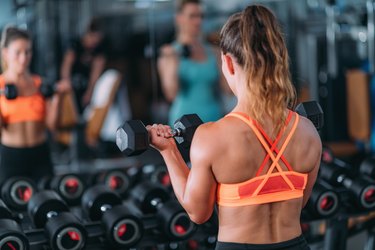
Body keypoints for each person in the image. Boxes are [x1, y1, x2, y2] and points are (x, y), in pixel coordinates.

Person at [147, 5, 322, 250]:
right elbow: (299, 202)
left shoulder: (211, 138)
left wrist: (168, 151)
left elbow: (198, 213)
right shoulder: (307, 132)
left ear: (228, 64)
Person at [0, 26, 70, 183]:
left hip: (40, 155)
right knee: (12, 205)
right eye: (17, 52)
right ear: (5, 53)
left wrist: (58, 97)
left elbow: (53, 126)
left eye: (28, 52)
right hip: (11, 157)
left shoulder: (40, 84)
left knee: (48, 201)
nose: (23, 58)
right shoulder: (0, 87)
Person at [157, 0, 231, 126]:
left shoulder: (213, 51)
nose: (198, 21)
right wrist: (173, 62)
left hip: (213, 119)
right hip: (184, 123)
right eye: (192, 16)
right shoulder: (170, 53)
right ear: (179, 18)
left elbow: (228, 90)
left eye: (201, 16)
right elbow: (171, 94)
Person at [60, 18, 106, 114]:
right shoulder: (75, 45)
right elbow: (66, 68)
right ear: (89, 33)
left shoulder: (99, 51)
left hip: (86, 88)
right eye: (95, 38)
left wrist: (89, 92)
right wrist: (67, 87)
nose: (96, 42)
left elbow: (95, 74)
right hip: (71, 86)